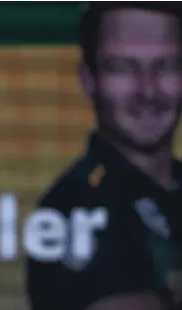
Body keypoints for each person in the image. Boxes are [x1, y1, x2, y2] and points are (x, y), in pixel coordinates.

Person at [26, 3, 182, 310]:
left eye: (166, 65)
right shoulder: (70, 207)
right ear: (88, 79)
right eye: (124, 67)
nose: (148, 90)